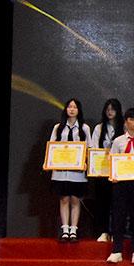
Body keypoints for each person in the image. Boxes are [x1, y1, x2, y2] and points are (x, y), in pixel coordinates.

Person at [106, 108, 134, 264]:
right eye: (131, 119)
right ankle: (116, 250)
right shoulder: (118, 141)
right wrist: (114, 174)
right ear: (125, 122)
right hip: (120, 184)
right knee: (119, 216)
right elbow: (112, 160)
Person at [48, 98, 89, 242]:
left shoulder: (84, 128)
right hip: (61, 170)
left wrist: (85, 162)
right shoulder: (58, 127)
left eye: (75, 107)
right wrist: (50, 162)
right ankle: (65, 228)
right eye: (69, 107)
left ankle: (74, 230)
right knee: (64, 198)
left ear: (79, 110)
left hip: (77, 171)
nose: (72, 109)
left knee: (75, 199)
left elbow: (88, 148)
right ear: (66, 109)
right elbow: (52, 147)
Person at [90, 98, 122, 243]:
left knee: (117, 204)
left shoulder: (124, 127)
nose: (110, 112)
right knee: (102, 202)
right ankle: (103, 231)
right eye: (108, 109)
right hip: (102, 171)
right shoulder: (99, 128)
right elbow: (94, 148)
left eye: (113, 109)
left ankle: (116, 231)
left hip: (119, 172)